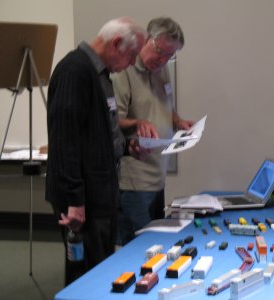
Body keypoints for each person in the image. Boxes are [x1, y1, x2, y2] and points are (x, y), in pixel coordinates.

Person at [46, 17, 147, 285]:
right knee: (86, 276)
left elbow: (95, 136)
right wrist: (74, 200)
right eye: (132, 54)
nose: (132, 63)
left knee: (101, 269)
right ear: (116, 43)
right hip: (83, 201)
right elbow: (64, 141)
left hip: (100, 193)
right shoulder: (75, 71)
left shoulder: (99, 75)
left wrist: (126, 147)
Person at [111, 17, 194, 245]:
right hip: (133, 180)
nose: (163, 60)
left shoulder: (161, 69)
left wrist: (179, 122)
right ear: (147, 40)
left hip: (158, 175)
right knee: (137, 248)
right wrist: (137, 123)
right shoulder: (123, 72)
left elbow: (166, 107)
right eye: (161, 52)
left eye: (170, 56)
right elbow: (111, 120)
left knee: (156, 245)